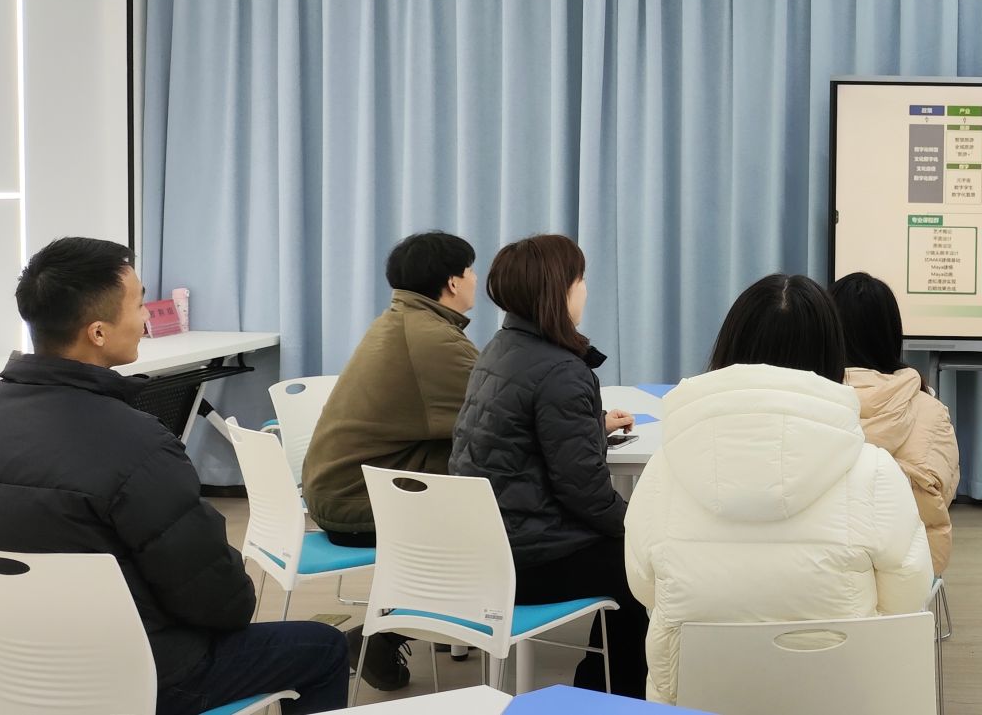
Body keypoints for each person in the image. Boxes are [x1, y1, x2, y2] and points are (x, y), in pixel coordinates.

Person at [0, 238, 348, 714]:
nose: (147, 318)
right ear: (98, 332)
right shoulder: (138, 444)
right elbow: (220, 601)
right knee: (323, 648)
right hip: (135, 680)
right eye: (139, 304)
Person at [625, 274, 933, 704]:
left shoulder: (665, 466)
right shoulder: (875, 471)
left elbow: (644, 588)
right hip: (839, 700)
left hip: (694, 703)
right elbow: (906, 600)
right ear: (831, 357)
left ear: (729, 351)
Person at [451, 234, 646, 696]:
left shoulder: (501, 348)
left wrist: (590, 426)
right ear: (559, 291)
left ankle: (598, 683)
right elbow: (586, 493)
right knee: (642, 563)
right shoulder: (561, 370)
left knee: (626, 551)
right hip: (526, 558)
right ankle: (612, 695)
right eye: (581, 280)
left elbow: (523, 440)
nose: (586, 290)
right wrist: (641, 526)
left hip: (487, 543)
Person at [301, 231, 480, 689]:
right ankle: (384, 635)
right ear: (453, 281)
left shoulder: (405, 322)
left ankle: (438, 621)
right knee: (499, 515)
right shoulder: (433, 340)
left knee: (482, 483)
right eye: (471, 271)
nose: (475, 280)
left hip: (342, 488)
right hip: (357, 502)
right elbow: (501, 418)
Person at [827, 272, 962, 573]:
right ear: (891, 334)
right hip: (908, 576)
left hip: (815, 574)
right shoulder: (932, 412)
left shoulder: (804, 402)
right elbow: (941, 497)